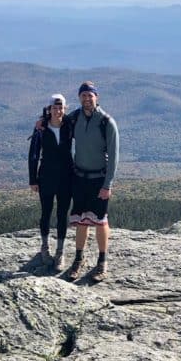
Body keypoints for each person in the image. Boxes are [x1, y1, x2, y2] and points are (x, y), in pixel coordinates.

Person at [67, 81, 119, 282]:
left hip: (99, 179)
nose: (87, 99)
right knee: (81, 219)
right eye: (83, 95)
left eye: (90, 95)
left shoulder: (106, 122)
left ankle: (102, 261)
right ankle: (78, 258)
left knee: (100, 220)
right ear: (79, 97)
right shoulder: (75, 117)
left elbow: (114, 157)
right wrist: (41, 121)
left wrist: (108, 185)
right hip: (79, 178)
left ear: (96, 97)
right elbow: (56, 119)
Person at [29, 93, 74, 269]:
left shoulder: (70, 124)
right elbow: (33, 154)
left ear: (65, 108)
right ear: (49, 109)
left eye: (61, 107)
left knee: (63, 214)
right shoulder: (41, 128)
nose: (58, 110)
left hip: (66, 177)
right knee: (46, 213)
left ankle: (60, 252)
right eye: (54, 108)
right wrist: (33, 179)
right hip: (46, 177)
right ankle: (45, 247)